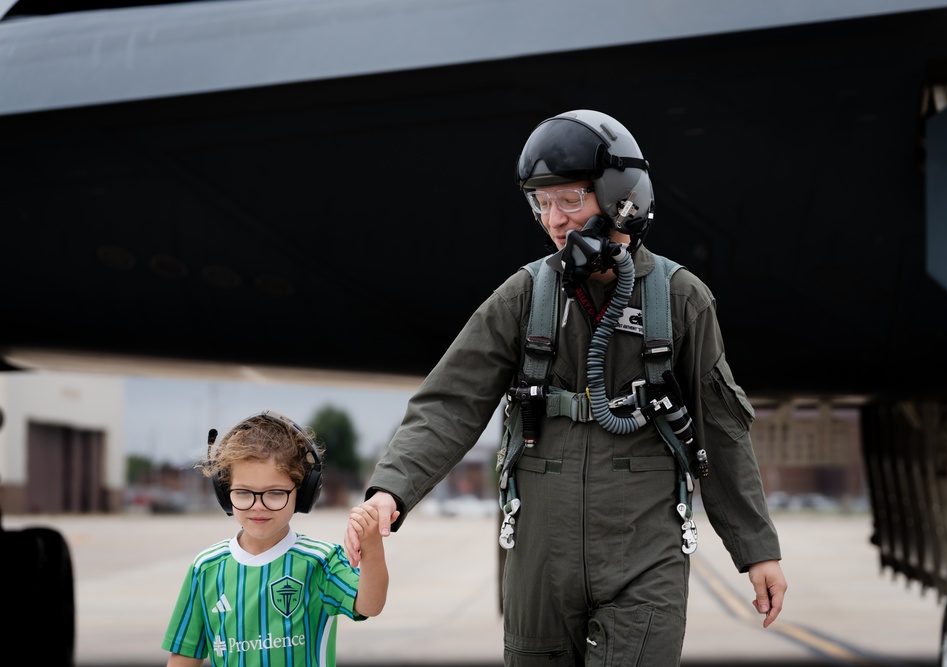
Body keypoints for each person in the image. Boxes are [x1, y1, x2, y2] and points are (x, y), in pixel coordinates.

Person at [345, 109, 786, 666]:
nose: (553, 220)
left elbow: (721, 432)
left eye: (569, 200)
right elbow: (450, 402)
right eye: (541, 202)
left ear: (621, 196)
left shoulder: (679, 299)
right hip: (540, 557)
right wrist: (391, 490)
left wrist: (756, 551)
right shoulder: (524, 297)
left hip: (643, 552)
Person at [162, 410, 393, 667]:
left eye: (274, 493)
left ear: (303, 493)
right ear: (225, 492)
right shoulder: (205, 568)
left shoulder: (321, 561)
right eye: (243, 492)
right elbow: (184, 657)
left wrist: (372, 548)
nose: (258, 506)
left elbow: (370, 605)